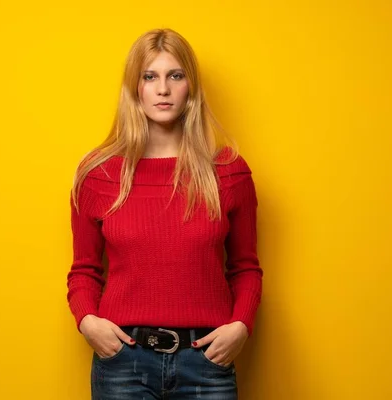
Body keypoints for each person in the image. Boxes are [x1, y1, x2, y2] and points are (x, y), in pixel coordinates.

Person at [66, 28, 263, 399]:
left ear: (191, 86)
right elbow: (84, 270)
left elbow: (245, 268)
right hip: (123, 364)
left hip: (207, 362)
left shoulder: (229, 173)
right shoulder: (98, 174)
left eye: (175, 75)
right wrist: (88, 321)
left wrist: (241, 324)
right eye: (149, 76)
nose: (163, 89)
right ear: (135, 88)